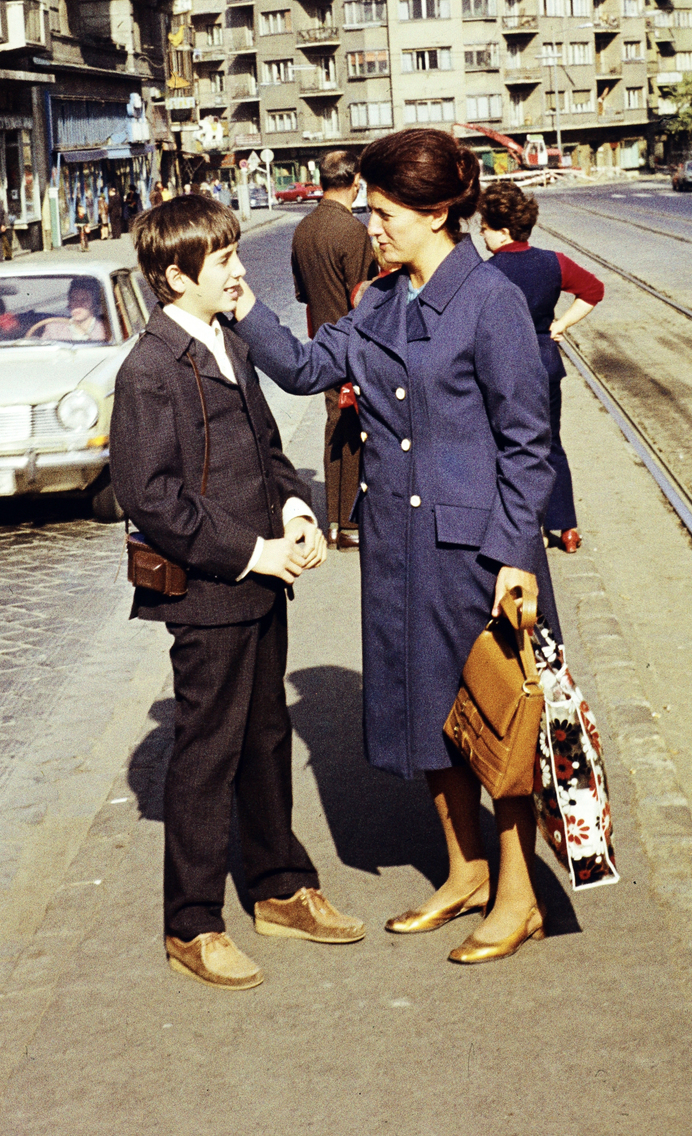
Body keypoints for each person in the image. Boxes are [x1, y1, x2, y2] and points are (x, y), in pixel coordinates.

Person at [233, 129, 562, 965]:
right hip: (399, 548)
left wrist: (516, 556)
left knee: (496, 721)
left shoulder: (488, 302)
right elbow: (307, 370)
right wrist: (243, 308)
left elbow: (528, 443)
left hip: (477, 556)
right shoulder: (381, 302)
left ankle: (518, 895)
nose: (369, 227)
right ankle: (463, 873)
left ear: (434, 211)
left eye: (382, 213)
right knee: (427, 719)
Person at [110, 196, 364, 991]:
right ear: (174, 275)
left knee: (263, 741)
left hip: (259, 583)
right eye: (222, 260)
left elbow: (264, 446)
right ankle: (191, 925)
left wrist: (294, 508)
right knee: (204, 756)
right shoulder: (148, 369)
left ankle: (279, 888)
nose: (238, 270)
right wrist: (253, 551)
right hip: (209, 593)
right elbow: (151, 498)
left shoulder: (225, 341)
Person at [477, 180, 604, 554]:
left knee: (505, 447)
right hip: (544, 365)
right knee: (552, 445)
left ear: (501, 232)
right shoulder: (554, 262)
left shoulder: (485, 273)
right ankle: (566, 529)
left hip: (501, 371)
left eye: (484, 228)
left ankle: (518, 526)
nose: (481, 235)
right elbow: (594, 290)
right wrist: (561, 324)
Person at [289, 149, 377, 551]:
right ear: (355, 184)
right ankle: (352, 523)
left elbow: (303, 293)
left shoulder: (303, 229)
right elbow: (364, 296)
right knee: (358, 430)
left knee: (334, 428)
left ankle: (336, 522)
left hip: (322, 342)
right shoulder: (353, 231)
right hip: (355, 343)